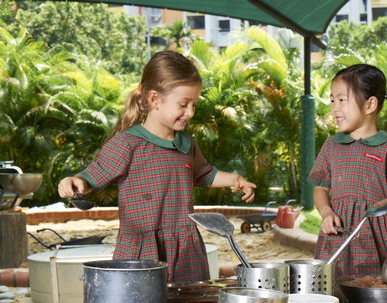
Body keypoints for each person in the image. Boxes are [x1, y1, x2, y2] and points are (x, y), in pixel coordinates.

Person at [58, 51, 256, 283]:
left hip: (185, 250)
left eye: (194, 104)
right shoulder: (128, 143)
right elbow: (94, 175)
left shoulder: (186, 145)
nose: (190, 112)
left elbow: (205, 174)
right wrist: (75, 182)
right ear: (154, 99)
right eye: (183, 104)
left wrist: (235, 180)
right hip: (142, 251)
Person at [309, 63, 387, 281]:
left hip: (378, 239)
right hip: (337, 238)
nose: (334, 108)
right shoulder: (331, 145)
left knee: (375, 290)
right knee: (333, 290)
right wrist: (326, 213)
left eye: (342, 100)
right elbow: (320, 188)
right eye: (332, 100)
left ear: (370, 105)